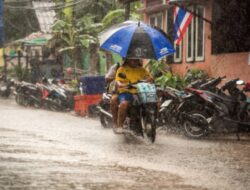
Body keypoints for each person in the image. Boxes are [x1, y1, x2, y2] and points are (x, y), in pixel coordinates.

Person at [113, 59, 153, 134]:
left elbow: (149, 78)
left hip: (140, 92)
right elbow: (118, 82)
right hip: (126, 92)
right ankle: (119, 126)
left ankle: (152, 121)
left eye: (136, 60)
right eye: (133, 60)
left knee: (154, 102)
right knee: (124, 104)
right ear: (128, 60)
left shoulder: (142, 70)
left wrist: (149, 79)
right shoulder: (122, 69)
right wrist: (123, 85)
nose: (135, 61)